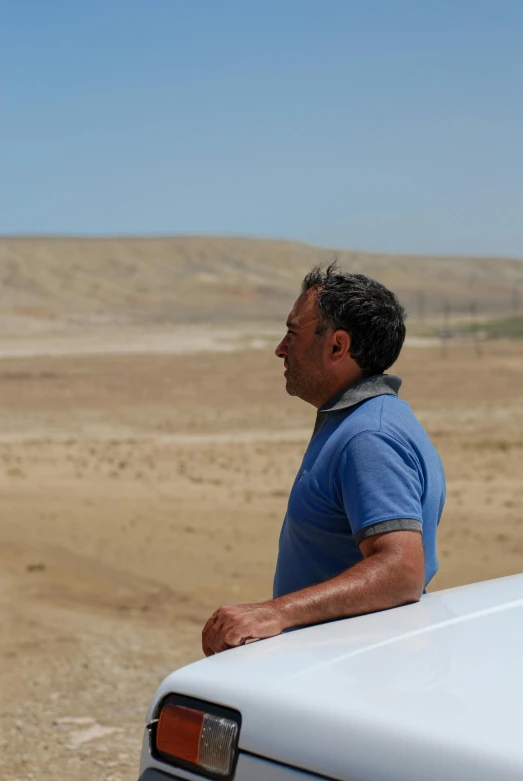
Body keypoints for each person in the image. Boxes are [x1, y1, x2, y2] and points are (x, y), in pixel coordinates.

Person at [202, 263, 445, 656]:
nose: (281, 348)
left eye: (293, 333)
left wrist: (276, 613)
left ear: (337, 346)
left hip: (351, 673)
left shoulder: (369, 436)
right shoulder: (367, 420)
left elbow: (402, 571)